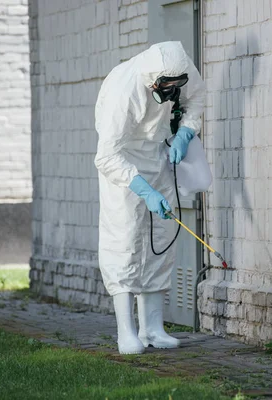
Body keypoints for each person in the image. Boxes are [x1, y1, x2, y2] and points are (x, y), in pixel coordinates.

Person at [94, 41, 206, 354]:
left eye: (176, 86)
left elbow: (197, 99)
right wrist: (143, 190)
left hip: (158, 154)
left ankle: (152, 329)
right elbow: (105, 156)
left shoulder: (182, 67)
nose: (171, 91)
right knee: (126, 240)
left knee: (162, 233)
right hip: (124, 163)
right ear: (151, 81)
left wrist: (186, 132)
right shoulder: (124, 91)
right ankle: (126, 332)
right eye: (166, 86)